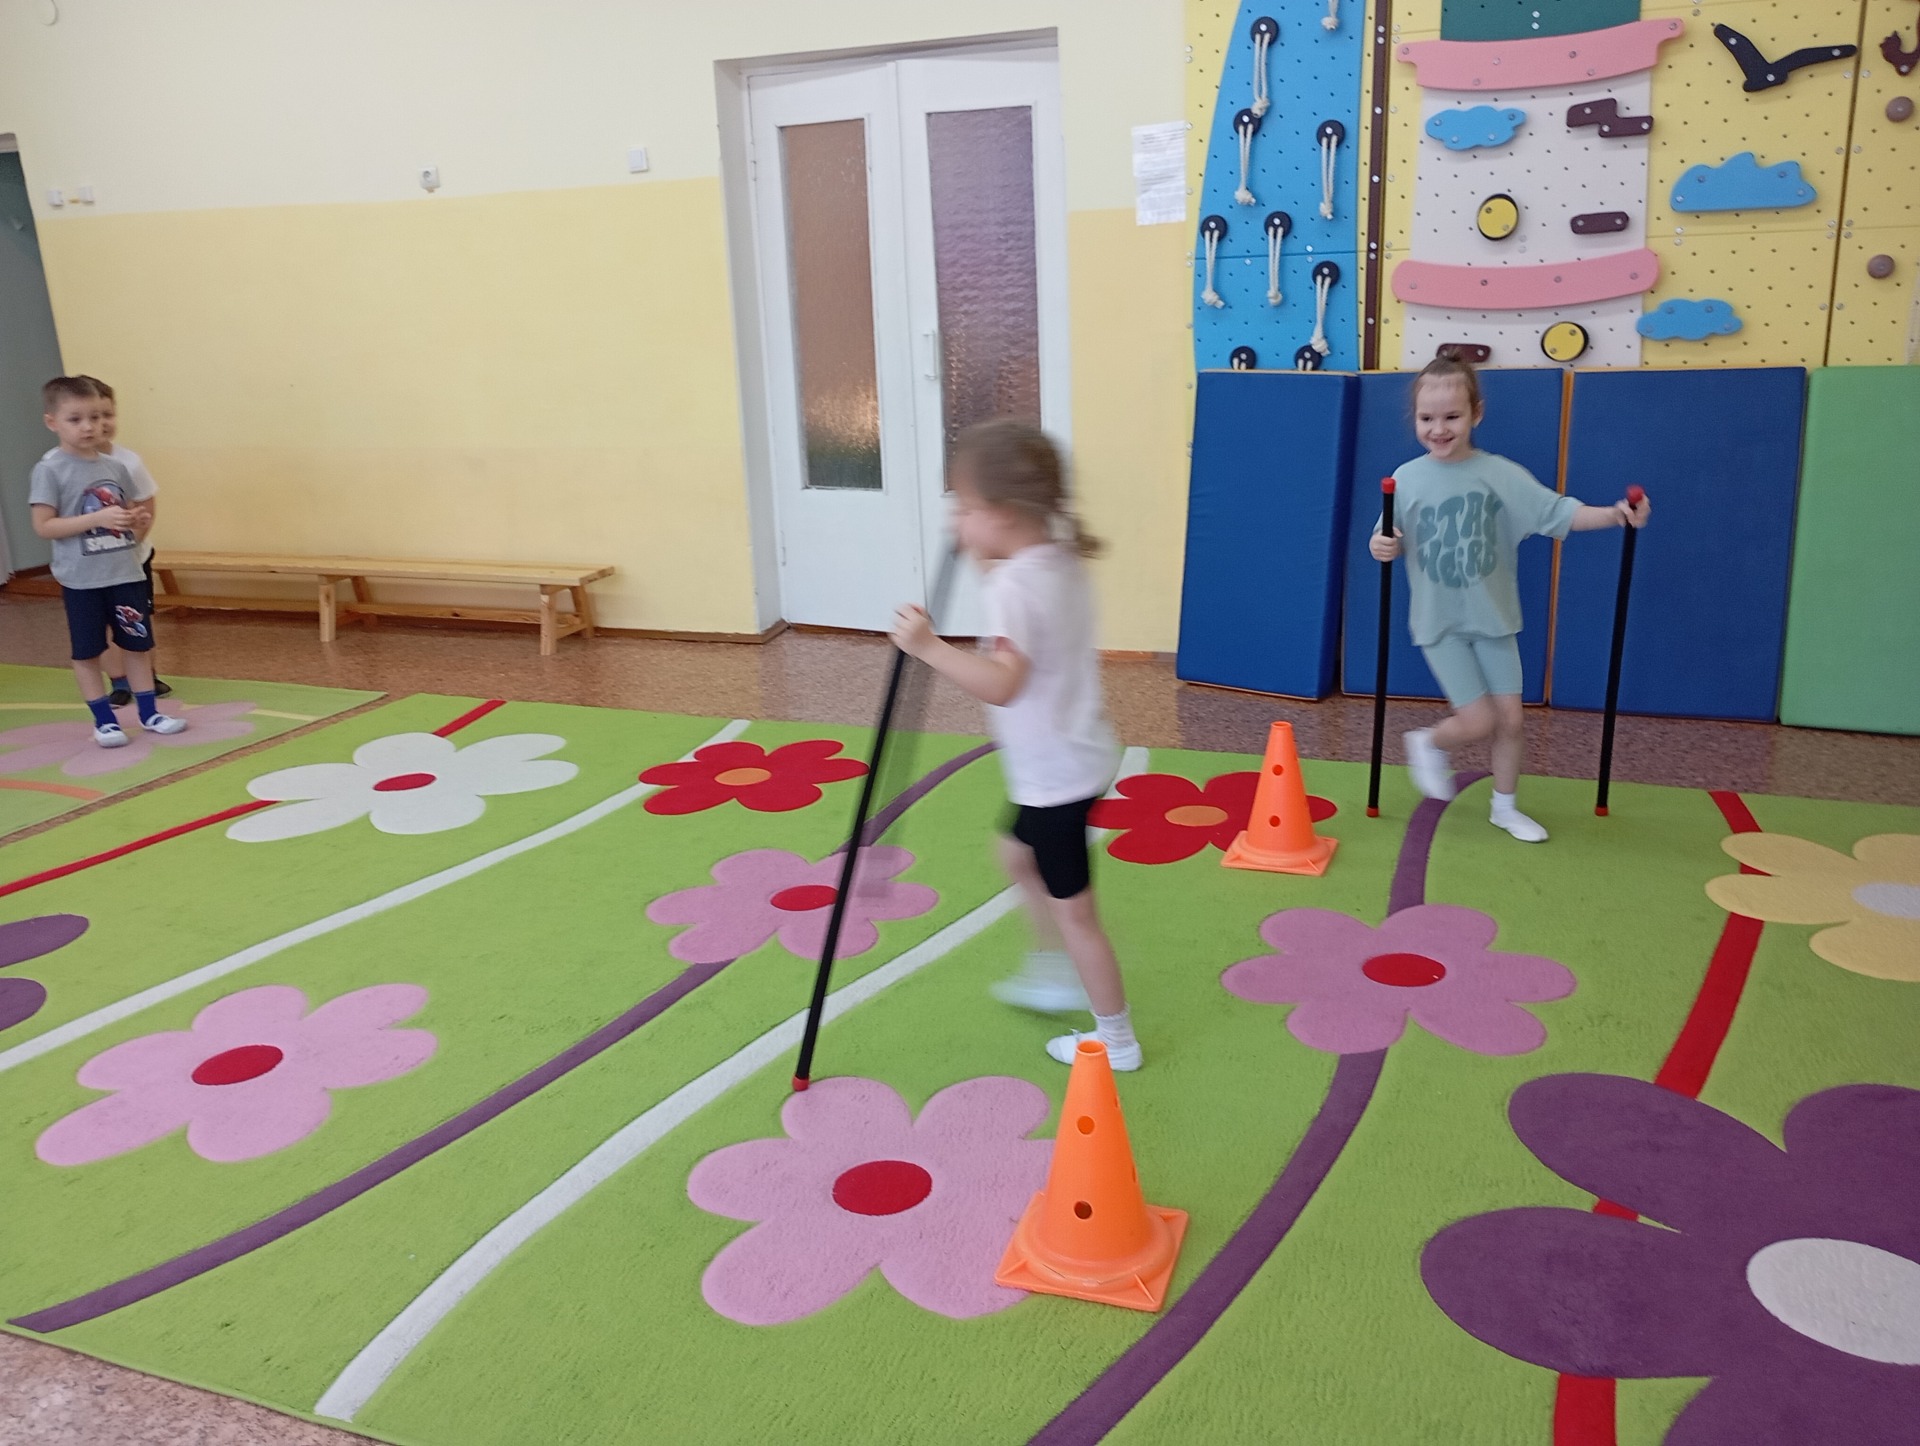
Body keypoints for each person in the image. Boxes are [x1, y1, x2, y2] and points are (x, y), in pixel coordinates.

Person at [890, 420, 1140, 1070]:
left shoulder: (1014, 588)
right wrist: (978, 544)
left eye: (964, 507)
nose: (957, 521)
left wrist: (928, 648)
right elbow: (1022, 620)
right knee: (1013, 854)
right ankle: (1053, 969)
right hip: (1078, 757)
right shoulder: (1058, 561)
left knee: (1078, 914)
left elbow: (1003, 686)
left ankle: (1116, 1040)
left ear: (1002, 513)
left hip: (1054, 778)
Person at [1371, 355, 1648, 842]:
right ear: (1415, 418)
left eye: (1452, 416)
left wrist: (1615, 515)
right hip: (1440, 623)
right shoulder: (1407, 477)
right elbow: (1386, 537)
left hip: (1495, 618)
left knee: (1512, 721)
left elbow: (1559, 513)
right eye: (1427, 418)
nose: (1439, 429)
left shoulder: (1501, 475)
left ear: (1476, 414)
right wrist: (1382, 545)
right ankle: (1429, 742)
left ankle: (1505, 807)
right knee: (1478, 719)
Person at [27, 376, 188, 748]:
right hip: (82, 581)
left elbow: (124, 511)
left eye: (97, 417)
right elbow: (44, 526)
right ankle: (104, 722)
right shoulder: (49, 470)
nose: (89, 427)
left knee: (137, 646)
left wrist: (135, 519)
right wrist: (95, 519)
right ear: (52, 422)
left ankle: (149, 713)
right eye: (76, 419)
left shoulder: (116, 467)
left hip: (125, 574)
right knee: (88, 651)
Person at [81, 377, 171, 705]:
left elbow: (146, 506)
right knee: (103, 624)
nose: (100, 424)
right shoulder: (59, 466)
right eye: (90, 417)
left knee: (136, 619)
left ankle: (148, 676)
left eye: (107, 415)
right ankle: (119, 681)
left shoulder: (128, 462)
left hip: (132, 561)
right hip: (90, 565)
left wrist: (130, 547)